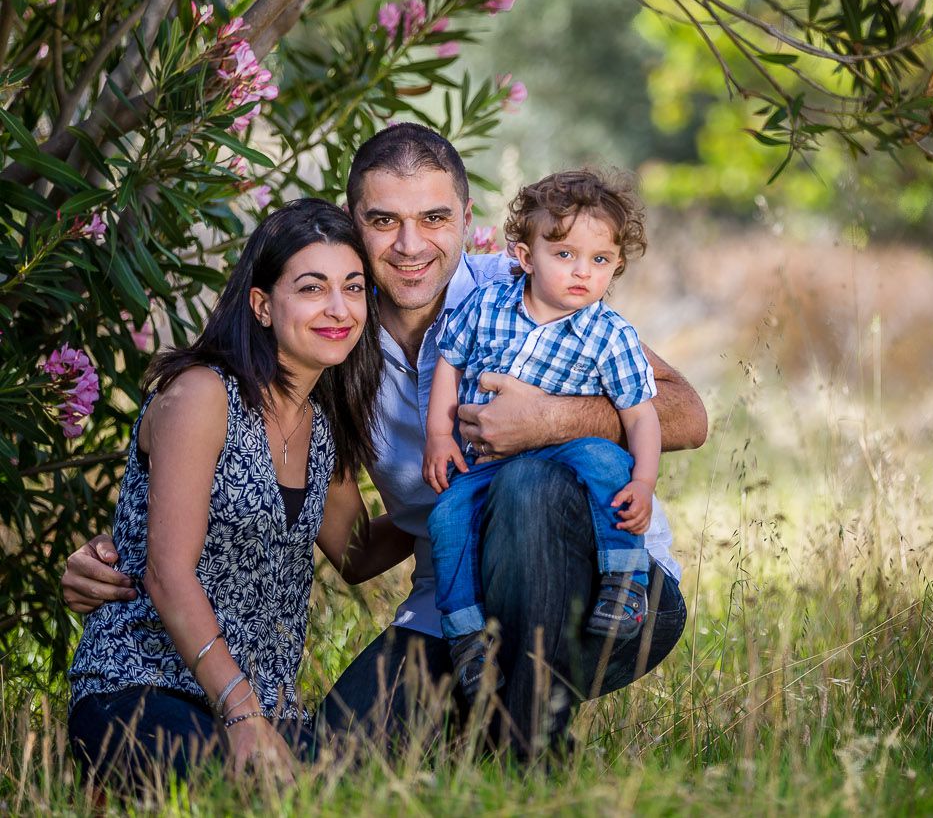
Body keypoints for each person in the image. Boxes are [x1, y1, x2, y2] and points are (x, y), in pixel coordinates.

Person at [63, 123, 708, 761]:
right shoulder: (335, 333)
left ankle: (530, 752)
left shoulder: (526, 294)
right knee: (331, 762)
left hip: (607, 586)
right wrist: (129, 552)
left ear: (465, 218)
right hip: (455, 613)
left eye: (433, 218)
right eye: (382, 221)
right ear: (353, 222)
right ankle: (497, 730)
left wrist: (551, 422)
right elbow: (336, 533)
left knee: (527, 481)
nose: (409, 245)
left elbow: (687, 411)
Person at [65, 199, 384, 789]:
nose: (339, 309)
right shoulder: (202, 395)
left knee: (344, 791)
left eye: (354, 287)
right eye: (313, 288)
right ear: (262, 305)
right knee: (239, 791)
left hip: (266, 708)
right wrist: (240, 711)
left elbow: (359, 553)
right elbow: (166, 574)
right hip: (142, 686)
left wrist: (455, 495)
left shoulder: (320, 424)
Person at [423, 170, 662, 698]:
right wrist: (439, 437)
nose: (583, 273)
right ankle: (466, 637)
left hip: (565, 468)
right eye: (565, 255)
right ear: (526, 258)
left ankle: (624, 582)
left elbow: (642, 414)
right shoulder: (487, 307)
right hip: (487, 467)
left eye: (599, 261)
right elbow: (449, 361)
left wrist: (644, 479)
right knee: (446, 517)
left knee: (607, 460)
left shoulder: (611, 334)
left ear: (617, 265)